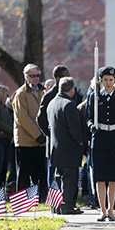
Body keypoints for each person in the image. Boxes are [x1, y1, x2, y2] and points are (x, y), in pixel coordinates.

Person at [86, 66, 115, 221]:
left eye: (111, 80)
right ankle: (102, 210)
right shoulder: (94, 96)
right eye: (105, 80)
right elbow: (89, 117)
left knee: (113, 177)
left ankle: (111, 210)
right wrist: (91, 126)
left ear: (114, 80)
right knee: (100, 177)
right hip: (100, 139)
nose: (108, 83)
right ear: (101, 80)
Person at [37, 65, 83, 186]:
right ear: (58, 79)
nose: (68, 78)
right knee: (54, 176)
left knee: (69, 178)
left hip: (70, 143)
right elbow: (40, 119)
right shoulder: (49, 96)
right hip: (55, 142)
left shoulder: (74, 94)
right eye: (65, 76)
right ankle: (55, 203)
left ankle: (69, 202)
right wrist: (52, 132)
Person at [47, 77, 85, 215]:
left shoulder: (52, 103)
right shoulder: (69, 104)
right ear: (72, 89)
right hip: (69, 148)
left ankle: (56, 206)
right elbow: (74, 128)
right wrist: (81, 141)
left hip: (56, 147)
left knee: (58, 177)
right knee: (69, 178)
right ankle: (67, 206)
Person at [12, 64, 47, 202]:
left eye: (37, 75)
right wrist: (38, 135)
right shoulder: (21, 93)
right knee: (24, 172)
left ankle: (41, 198)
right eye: (32, 76)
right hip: (26, 140)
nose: (36, 78)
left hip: (41, 140)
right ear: (26, 77)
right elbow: (23, 118)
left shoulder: (42, 92)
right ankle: (21, 201)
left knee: (41, 171)